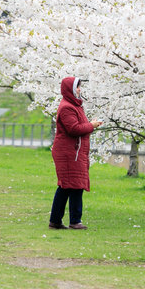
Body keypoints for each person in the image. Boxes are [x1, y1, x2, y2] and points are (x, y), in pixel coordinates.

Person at [49, 77, 103, 230]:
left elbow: (80, 126)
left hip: (75, 152)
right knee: (71, 185)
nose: (80, 89)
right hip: (69, 153)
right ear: (70, 89)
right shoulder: (67, 107)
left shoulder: (75, 106)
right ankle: (74, 221)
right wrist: (91, 126)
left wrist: (90, 124)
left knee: (69, 185)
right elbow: (74, 129)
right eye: (77, 87)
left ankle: (56, 221)